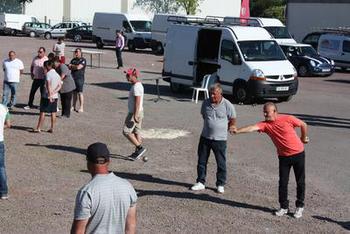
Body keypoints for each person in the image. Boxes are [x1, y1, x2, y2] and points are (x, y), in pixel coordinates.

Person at [234, 102, 309, 218]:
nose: (264, 114)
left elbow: (303, 124)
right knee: (283, 182)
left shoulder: (287, 118)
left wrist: (303, 138)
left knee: (300, 181)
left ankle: (300, 207)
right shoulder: (265, 125)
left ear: (275, 112)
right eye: (264, 112)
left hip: (298, 153)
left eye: (267, 112)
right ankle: (284, 207)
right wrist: (237, 131)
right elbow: (252, 128)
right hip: (283, 157)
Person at [71, 142, 137, 234]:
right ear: (109, 161)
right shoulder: (127, 186)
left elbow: (78, 231)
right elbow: (130, 227)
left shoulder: (87, 192)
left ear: (88, 162)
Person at [191, 83, 236, 194]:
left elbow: (233, 118)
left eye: (214, 94)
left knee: (221, 163)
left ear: (220, 93)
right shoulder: (205, 103)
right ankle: (200, 182)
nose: (211, 96)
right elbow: (204, 115)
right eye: (211, 94)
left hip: (220, 140)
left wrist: (231, 126)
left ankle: (220, 184)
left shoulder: (227, 105)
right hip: (205, 137)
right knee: (202, 161)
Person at [123, 68, 146, 160]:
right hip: (139, 111)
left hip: (134, 113)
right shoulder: (137, 85)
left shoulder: (137, 86)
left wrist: (135, 115)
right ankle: (138, 153)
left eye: (128, 75)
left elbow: (138, 101)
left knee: (126, 131)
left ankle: (140, 148)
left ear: (134, 75)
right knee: (136, 132)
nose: (127, 77)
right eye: (126, 75)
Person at [33, 60, 62, 133]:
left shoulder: (48, 74)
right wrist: (54, 92)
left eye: (45, 66)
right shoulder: (57, 75)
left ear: (48, 66)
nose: (44, 68)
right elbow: (59, 86)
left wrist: (50, 94)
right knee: (53, 112)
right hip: (55, 96)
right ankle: (52, 128)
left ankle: (39, 128)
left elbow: (48, 85)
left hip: (46, 96)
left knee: (42, 112)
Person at [69, 48, 86, 113]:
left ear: (80, 52)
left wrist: (73, 66)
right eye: (75, 51)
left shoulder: (83, 60)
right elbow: (69, 67)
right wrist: (74, 66)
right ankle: (73, 106)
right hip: (73, 77)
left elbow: (79, 67)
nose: (76, 53)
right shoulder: (73, 60)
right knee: (74, 93)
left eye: (77, 52)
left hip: (80, 78)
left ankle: (81, 107)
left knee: (80, 93)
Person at [0, 104, 11, 200]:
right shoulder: (4, 108)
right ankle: (4, 192)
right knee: (1, 167)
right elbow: (8, 125)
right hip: (0, 141)